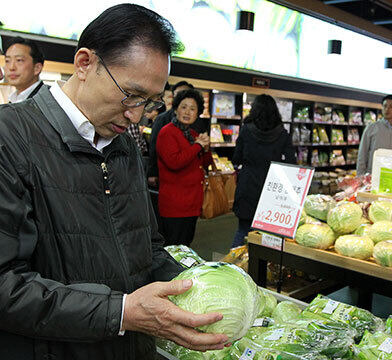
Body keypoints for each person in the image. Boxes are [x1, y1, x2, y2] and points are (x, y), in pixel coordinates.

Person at [0, 5, 229, 359]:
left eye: (149, 103)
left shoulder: (122, 147)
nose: (135, 115)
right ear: (84, 63)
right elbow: (5, 286)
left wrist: (206, 284)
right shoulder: (9, 137)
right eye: (130, 95)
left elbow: (146, 247)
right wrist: (120, 312)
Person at [231, 94, 296, 248]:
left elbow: (236, 158)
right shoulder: (282, 134)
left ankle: (235, 265)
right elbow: (291, 162)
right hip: (272, 189)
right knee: (267, 235)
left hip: (248, 186)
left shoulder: (246, 131)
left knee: (243, 230)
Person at [157, 89, 213, 246]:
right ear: (175, 109)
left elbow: (206, 164)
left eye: (193, 108)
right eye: (184, 107)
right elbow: (175, 162)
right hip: (174, 205)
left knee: (186, 247)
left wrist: (206, 148)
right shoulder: (167, 132)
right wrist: (197, 146)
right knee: (173, 248)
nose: (188, 112)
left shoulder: (194, 134)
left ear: (198, 113)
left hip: (192, 203)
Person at [147, 80, 196, 188]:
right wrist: (152, 173)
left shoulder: (197, 122)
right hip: (167, 177)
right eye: (178, 95)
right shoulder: (162, 119)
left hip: (191, 179)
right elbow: (154, 147)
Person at [357, 94, 392, 175]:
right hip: (373, 175)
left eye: (391, 106)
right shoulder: (371, 128)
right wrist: (360, 176)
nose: (387, 109)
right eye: (385, 106)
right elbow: (362, 154)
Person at [4, 36, 47, 103]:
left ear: (37, 68)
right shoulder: (12, 99)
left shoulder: (48, 98)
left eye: (19, 60)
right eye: (7, 61)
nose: (11, 67)